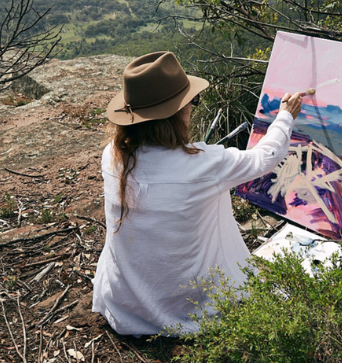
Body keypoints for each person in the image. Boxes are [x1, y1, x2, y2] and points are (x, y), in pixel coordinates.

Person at [92, 51, 303, 335]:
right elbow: (265, 157)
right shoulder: (203, 165)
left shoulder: (113, 155)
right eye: (192, 101)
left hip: (123, 300)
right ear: (177, 114)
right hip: (184, 304)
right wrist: (285, 117)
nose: (193, 107)